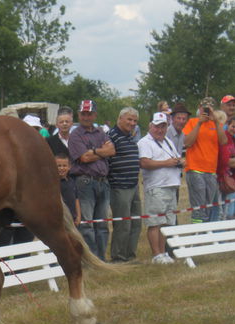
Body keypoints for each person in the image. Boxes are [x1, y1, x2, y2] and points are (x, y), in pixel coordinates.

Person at [68, 100, 116, 261]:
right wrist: (102, 151)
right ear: (78, 114)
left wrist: (94, 151)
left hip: (103, 181)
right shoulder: (75, 135)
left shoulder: (101, 132)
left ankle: (101, 258)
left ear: (95, 115)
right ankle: (91, 259)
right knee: (87, 224)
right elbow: (84, 157)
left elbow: (112, 150)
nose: (86, 117)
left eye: (89, 114)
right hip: (85, 181)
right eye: (83, 114)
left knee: (102, 224)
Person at [137, 113, 182, 263]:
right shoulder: (145, 142)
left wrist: (179, 162)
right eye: (157, 126)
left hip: (171, 185)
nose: (160, 130)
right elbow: (145, 163)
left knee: (166, 222)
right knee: (155, 222)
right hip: (156, 187)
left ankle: (163, 253)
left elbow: (174, 158)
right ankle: (156, 254)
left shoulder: (167, 141)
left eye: (163, 126)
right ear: (151, 126)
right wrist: (166, 163)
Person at [182, 97, 227, 223]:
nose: (206, 110)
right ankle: (197, 235)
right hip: (195, 169)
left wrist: (217, 121)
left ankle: (204, 234)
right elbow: (187, 143)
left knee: (208, 207)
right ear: (199, 108)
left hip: (211, 171)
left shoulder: (217, 124)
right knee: (199, 207)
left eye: (209, 107)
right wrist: (199, 123)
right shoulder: (192, 122)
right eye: (204, 107)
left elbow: (223, 141)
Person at [107, 108, 141, 262]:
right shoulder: (111, 137)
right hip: (119, 186)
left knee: (136, 222)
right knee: (123, 224)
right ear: (119, 118)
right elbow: (107, 160)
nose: (132, 123)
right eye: (129, 120)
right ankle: (119, 256)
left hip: (133, 185)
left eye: (134, 121)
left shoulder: (130, 137)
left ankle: (130, 255)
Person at [218, 116, 235, 220]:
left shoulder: (234, 140)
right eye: (232, 126)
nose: (234, 129)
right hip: (221, 178)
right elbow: (226, 161)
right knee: (222, 212)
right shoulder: (224, 138)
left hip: (231, 179)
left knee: (229, 212)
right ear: (227, 125)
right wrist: (232, 162)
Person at [56, 153, 81, 226]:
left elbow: (76, 199)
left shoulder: (72, 182)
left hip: (72, 220)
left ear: (69, 167)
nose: (61, 168)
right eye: (59, 166)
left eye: (64, 166)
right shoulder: (53, 183)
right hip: (59, 220)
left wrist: (78, 216)